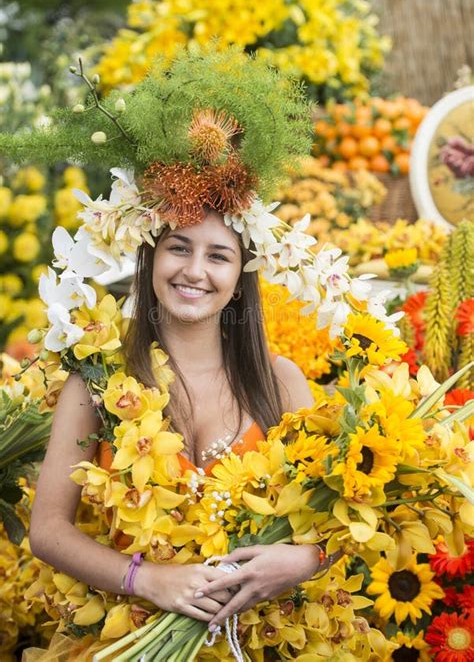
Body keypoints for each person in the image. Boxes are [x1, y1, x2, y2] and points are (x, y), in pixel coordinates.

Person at [29, 206, 328, 633]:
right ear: (150, 258)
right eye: (179, 248)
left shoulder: (280, 381)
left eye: (218, 256)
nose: (194, 270)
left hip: (263, 636)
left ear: (241, 280)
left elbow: (332, 522)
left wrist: (306, 559)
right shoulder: (98, 382)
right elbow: (47, 530)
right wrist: (146, 579)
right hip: (132, 633)